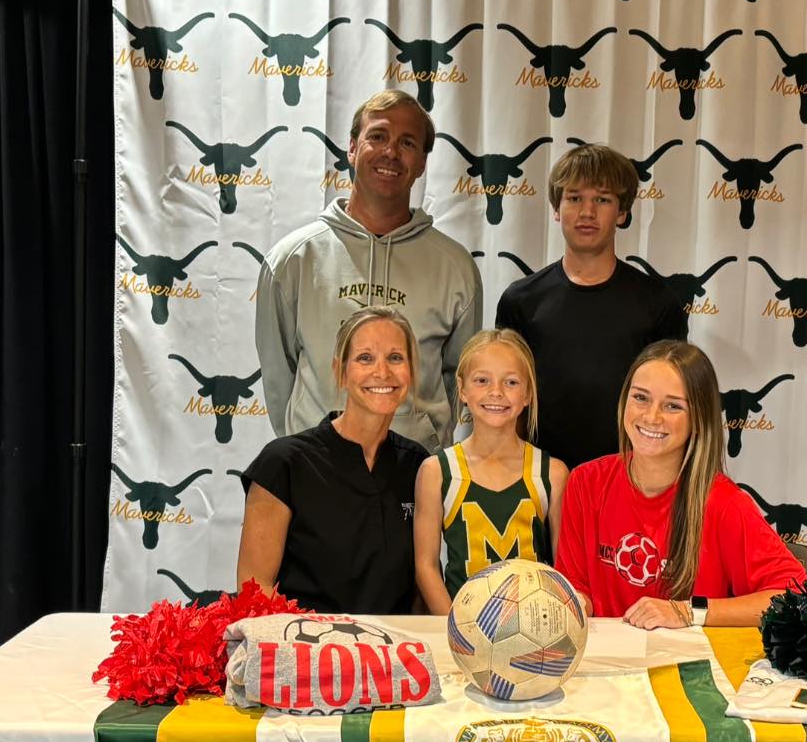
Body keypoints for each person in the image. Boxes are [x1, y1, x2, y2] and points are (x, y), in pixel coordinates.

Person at [255, 90, 481, 450]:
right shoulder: (294, 258)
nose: (390, 151)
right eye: (377, 136)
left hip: (416, 473)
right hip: (317, 469)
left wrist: (423, 437)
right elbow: (279, 375)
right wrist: (305, 452)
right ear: (352, 148)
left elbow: (460, 377)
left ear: (422, 162)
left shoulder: (454, 267)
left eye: (407, 142)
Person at [555, 341, 805, 629]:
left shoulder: (723, 502)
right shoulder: (586, 482)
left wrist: (687, 612)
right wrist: (573, 603)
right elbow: (576, 587)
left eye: (672, 406)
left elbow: (793, 597)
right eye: (641, 398)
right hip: (607, 666)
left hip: (691, 668)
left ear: (698, 418)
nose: (652, 417)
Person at [495, 143, 687, 471]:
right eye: (574, 198)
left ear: (622, 212)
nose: (587, 212)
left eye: (602, 199)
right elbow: (506, 400)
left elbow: (671, 406)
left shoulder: (658, 304)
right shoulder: (520, 301)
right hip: (539, 481)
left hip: (629, 481)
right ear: (557, 208)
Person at [237, 307, 426, 614]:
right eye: (365, 358)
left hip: (394, 655)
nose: (382, 371)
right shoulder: (283, 463)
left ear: (412, 372)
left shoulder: (419, 465)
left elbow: (421, 589)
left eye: (395, 357)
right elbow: (255, 593)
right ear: (340, 372)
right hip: (307, 652)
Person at [414, 329, 568, 613]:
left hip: (531, 632)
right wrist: (455, 629)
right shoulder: (437, 471)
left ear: (528, 394)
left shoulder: (552, 473)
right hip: (461, 631)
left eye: (511, 382)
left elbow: (564, 568)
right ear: (462, 389)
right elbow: (426, 566)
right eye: (482, 380)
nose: (496, 392)